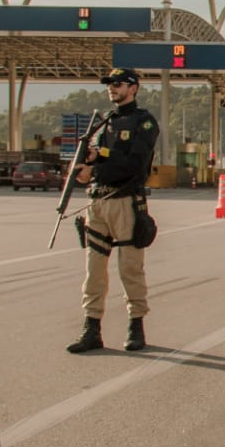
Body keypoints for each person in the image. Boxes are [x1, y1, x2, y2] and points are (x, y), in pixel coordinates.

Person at [66, 67, 160, 354]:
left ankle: (136, 325)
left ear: (133, 88)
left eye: (117, 84)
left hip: (125, 201)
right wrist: (86, 172)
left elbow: (135, 163)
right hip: (98, 202)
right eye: (109, 84)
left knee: (130, 267)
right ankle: (91, 327)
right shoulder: (102, 124)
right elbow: (97, 160)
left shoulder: (143, 122)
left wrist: (100, 160)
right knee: (94, 270)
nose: (112, 88)